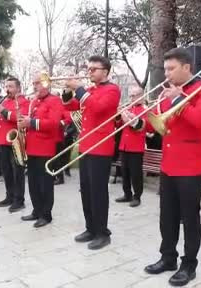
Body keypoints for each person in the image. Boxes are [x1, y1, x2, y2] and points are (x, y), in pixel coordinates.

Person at [143, 48, 201, 287]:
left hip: (191, 166)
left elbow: (200, 122)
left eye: (171, 68)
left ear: (186, 67)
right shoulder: (168, 92)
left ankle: (189, 264)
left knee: (190, 218)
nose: (167, 73)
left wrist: (176, 99)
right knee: (167, 216)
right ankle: (168, 257)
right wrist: (137, 121)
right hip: (169, 164)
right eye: (165, 69)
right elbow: (156, 126)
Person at [63, 55, 121, 250]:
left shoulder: (112, 90)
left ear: (105, 71)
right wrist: (68, 90)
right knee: (86, 190)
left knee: (98, 192)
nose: (89, 72)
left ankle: (102, 232)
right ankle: (90, 228)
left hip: (101, 147)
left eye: (93, 69)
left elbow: (97, 107)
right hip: (86, 146)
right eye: (88, 69)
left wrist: (78, 88)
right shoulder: (90, 90)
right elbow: (70, 106)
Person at [18, 73, 63, 228]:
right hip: (32, 147)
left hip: (45, 148)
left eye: (38, 83)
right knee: (33, 182)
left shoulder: (55, 100)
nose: (35, 86)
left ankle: (46, 215)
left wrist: (31, 122)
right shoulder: (34, 101)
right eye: (34, 83)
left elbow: (53, 123)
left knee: (45, 183)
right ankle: (36, 210)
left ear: (46, 84)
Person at [0, 77, 30, 213]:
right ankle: (9, 196)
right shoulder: (5, 100)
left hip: (16, 141)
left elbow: (20, 118)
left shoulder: (23, 101)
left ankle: (19, 200)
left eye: (10, 86)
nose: (7, 89)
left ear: (18, 88)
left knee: (17, 172)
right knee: (6, 171)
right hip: (3, 140)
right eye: (6, 86)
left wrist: (2, 110)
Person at [114, 86, 153, 207]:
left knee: (135, 174)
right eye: (130, 95)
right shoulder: (127, 108)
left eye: (134, 95)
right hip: (124, 145)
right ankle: (127, 194)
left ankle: (137, 197)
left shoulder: (146, 110)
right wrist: (118, 114)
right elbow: (118, 124)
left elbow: (142, 127)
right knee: (124, 172)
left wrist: (129, 118)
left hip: (136, 147)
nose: (131, 98)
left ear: (141, 96)